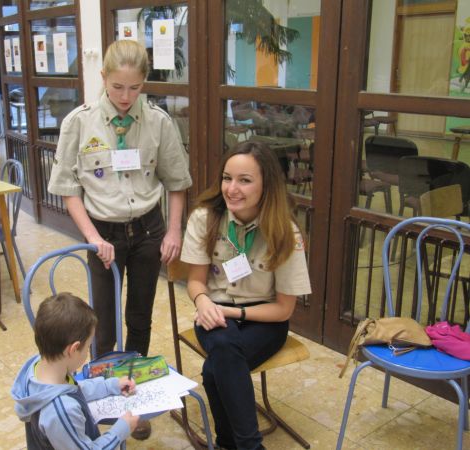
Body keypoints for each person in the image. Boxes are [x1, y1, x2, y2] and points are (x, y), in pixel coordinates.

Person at [47, 39, 191, 439]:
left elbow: (176, 183)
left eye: (135, 88)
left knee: (140, 318)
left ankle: (136, 400)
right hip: (103, 234)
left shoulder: (160, 122)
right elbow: (68, 188)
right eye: (117, 88)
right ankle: (103, 403)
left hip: (148, 231)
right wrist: (93, 237)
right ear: (103, 78)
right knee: (103, 325)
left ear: (145, 82)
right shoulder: (79, 121)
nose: (126, 98)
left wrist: (174, 229)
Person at [180, 141, 311, 450]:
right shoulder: (205, 218)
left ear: (267, 185)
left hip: (264, 320)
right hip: (214, 312)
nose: (232, 189)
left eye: (245, 180)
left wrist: (235, 314)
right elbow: (196, 283)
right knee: (223, 347)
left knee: (216, 369)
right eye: (227, 178)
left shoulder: (285, 231)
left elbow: (283, 310)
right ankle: (251, 446)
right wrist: (203, 302)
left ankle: (228, 442)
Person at [11, 292, 139, 449]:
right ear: (73, 349)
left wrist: (110, 386)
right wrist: (120, 431)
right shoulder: (62, 411)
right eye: (87, 347)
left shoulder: (40, 368)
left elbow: (73, 388)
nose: (87, 352)